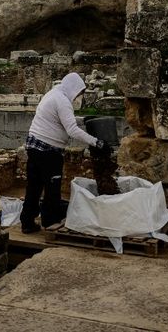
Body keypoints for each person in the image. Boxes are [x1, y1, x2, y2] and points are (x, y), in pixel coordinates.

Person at [19, 72, 109, 234]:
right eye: (79, 93)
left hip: (34, 146)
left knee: (34, 186)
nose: (78, 97)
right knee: (52, 187)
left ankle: (27, 222)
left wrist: (83, 120)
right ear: (74, 89)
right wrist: (96, 142)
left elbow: (64, 121)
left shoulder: (53, 94)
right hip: (48, 151)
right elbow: (72, 130)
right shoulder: (62, 101)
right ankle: (50, 221)